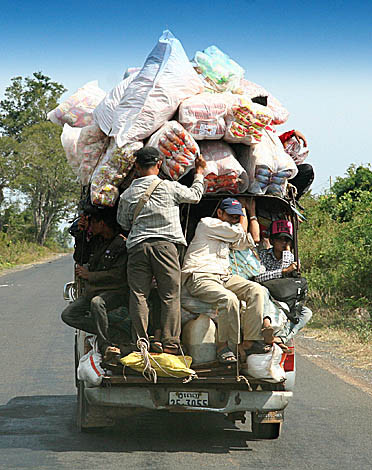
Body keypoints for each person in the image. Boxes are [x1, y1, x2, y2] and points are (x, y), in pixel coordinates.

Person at [117, 147, 206, 354]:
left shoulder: (128, 194)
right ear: (159, 164)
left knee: (139, 294)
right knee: (169, 294)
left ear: (137, 167)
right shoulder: (169, 187)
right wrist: (199, 173)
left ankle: (141, 341)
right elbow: (195, 196)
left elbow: (122, 222)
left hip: (138, 247)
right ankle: (170, 342)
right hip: (166, 247)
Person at [182, 197, 273, 365]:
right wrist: (243, 212)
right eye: (230, 215)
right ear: (219, 213)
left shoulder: (229, 234)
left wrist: (250, 212)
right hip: (201, 275)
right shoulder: (207, 224)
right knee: (229, 299)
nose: (233, 219)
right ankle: (224, 347)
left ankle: (249, 342)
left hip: (223, 277)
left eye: (236, 217)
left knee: (258, 291)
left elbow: (253, 239)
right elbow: (239, 232)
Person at [61, 206, 128, 358]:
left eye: (93, 223)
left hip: (114, 291)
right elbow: (81, 258)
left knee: (97, 303)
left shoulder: (121, 244)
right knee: (68, 315)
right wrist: (82, 234)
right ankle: (113, 332)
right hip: (93, 290)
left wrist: (90, 275)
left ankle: (106, 344)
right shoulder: (97, 241)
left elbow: (118, 275)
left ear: (102, 223)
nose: (91, 227)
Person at [254, 219, 312, 344]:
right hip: (269, 295)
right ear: (272, 241)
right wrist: (283, 271)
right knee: (262, 293)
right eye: (280, 239)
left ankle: (281, 338)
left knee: (306, 313)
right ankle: (267, 326)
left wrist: (287, 254)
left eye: (287, 240)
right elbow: (259, 277)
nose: (284, 243)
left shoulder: (290, 257)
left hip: (284, 296)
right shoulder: (263, 255)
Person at [279, 130, 314, 200]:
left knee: (307, 169)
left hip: (287, 177)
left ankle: (292, 198)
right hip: (272, 176)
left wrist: (291, 133)